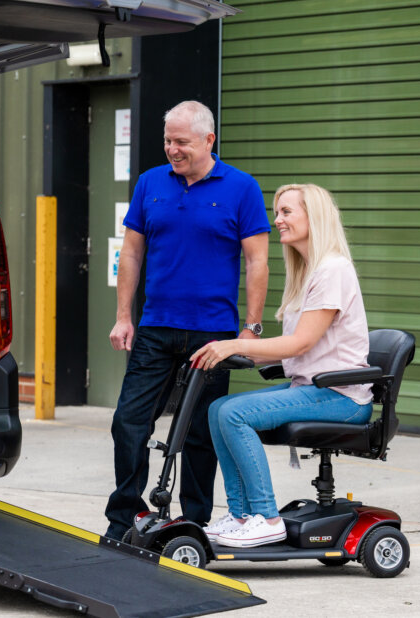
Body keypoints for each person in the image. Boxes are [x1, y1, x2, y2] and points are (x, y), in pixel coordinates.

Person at [105, 100, 271, 541]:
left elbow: (257, 262)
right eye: (167, 140)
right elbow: (133, 252)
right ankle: (125, 517)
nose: (172, 150)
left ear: (208, 139)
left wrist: (250, 329)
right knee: (129, 422)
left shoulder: (242, 187)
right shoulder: (150, 184)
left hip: (213, 333)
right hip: (157, 326)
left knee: (201, 433)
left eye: (181, 142)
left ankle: (194, 521)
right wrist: (124, 317)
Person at [189, 183, 373, 548]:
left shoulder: (332, 269)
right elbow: (296, 349)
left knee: (234, 414)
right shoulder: (308, 271)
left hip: (340, 395)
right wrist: (229, 351)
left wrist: (236, 344)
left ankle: (266, 517)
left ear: (313, 216)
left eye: (287, 212)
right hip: (312, 388)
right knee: (217, 409)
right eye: (278, 212)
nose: (278, 221)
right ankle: (241, 515)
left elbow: (301, 342)